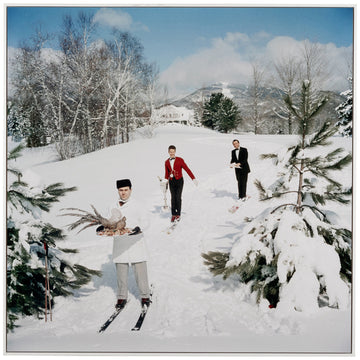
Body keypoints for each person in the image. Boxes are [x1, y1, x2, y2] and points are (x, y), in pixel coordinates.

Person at [99, 179, 151, 310]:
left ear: (131, 190)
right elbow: (107, 220)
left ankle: (145, 295)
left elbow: (147, 220)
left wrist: (139, 228)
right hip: (120, 243)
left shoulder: (138, 205)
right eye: (121, 190)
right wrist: (102, 227)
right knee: (121, 272)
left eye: (126, 190)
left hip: (135, 241)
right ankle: (122, 297)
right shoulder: (112, 206)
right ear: (118, 191)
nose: (123, 193)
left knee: (140, 271)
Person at [164, 145, 198, 222]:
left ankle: (178, 214)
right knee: (173, 198)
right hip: (171, 181)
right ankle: (173, 214)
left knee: (178, 197)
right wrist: (165, 182)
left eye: (173, 151)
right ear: (168, 152)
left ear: (175, 151)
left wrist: (193, 178)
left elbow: (187, 169)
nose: (172, 153)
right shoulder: (166, 162)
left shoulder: (180, 160)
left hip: (179, 181)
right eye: (170, 152)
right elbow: (166, 173)